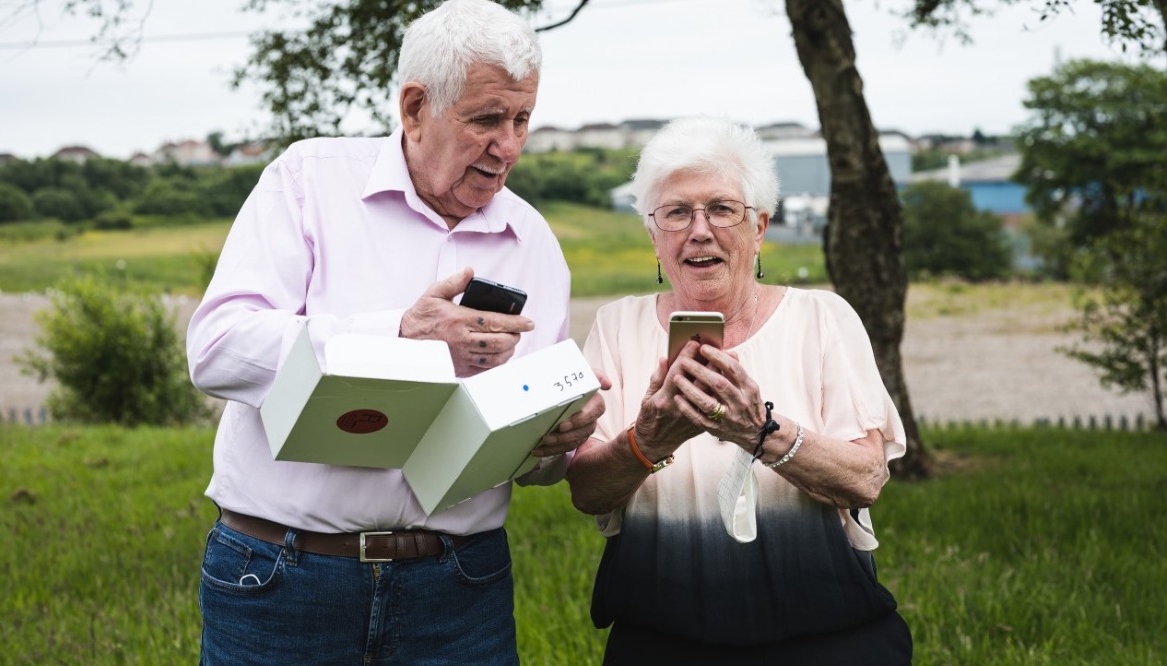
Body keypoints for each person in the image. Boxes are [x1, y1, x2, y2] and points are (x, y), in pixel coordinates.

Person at [185, 1, 605, 663]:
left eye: (523, 118)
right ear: (414, 108)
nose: (511, 146)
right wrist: (399, 333)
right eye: (487, 120)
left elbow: (534, 466)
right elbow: (216, 350)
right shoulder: (307, 182)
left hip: (461, 589)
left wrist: (554, 439)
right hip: (281, 577)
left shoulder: (534, 241)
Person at [566, 116, 913, 664]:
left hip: (826, 640)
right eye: (676, 213)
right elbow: (587, 491)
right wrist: (648, 441)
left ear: (761, 227)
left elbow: (866, 478)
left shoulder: (822, 318)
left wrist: (762, 432)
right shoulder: (616, 326)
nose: (699, 230)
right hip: (660, 641)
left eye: (722, 209)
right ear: (654, 237)